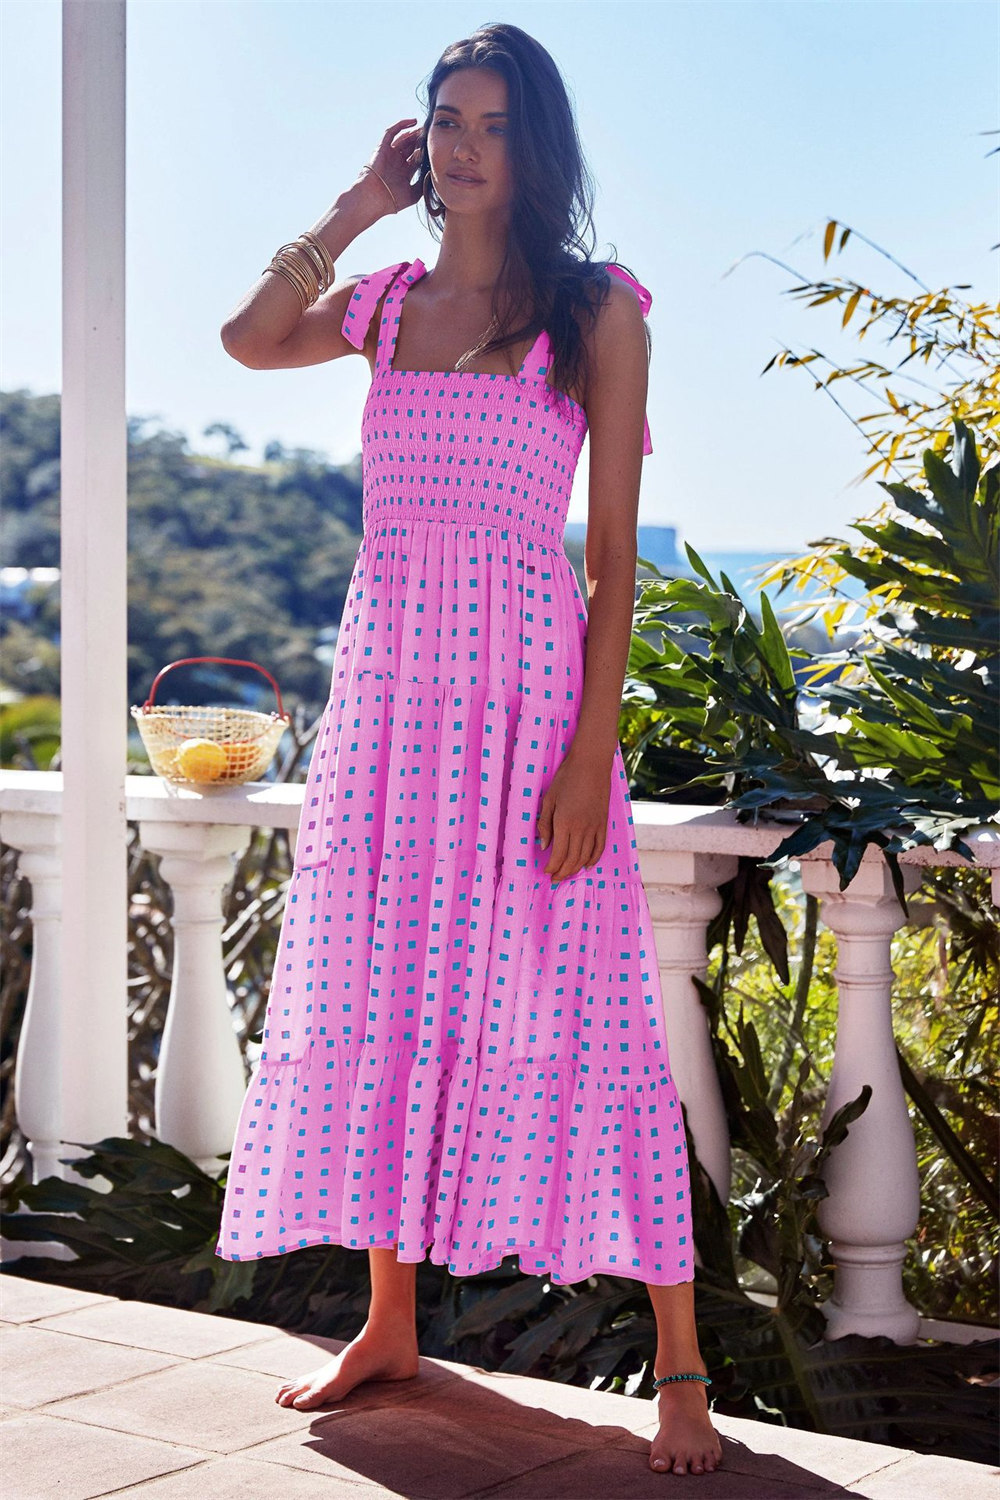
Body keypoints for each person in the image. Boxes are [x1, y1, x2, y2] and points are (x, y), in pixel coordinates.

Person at [216, 22, 722, 1481]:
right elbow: (248, 338)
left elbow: (613, 559)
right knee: (386, 992)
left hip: (525, 708)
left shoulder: (595, 310)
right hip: (390, 707)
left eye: (494, 123)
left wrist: (590, 751)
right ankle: (389, 1324)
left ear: (537, 142)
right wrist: (352, 209)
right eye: (448, 120)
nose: (465, 145)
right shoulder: (382, 305)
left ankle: (682, 1366)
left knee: (593, 1010)